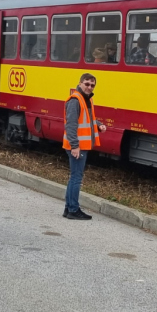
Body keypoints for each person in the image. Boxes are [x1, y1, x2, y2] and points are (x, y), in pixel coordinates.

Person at [62, 73, 107, 220]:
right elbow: (71, 125)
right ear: (80, 83)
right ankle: (73, 210)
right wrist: (75, 146)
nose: (89, 87)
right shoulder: (76, 100)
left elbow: (90, 120)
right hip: (77, 146)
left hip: (81, 145)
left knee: (74, 177)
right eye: (87, 84)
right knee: (76, 178)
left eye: (92, 85)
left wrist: (99, 125)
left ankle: (69, 208)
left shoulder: (87, 100)